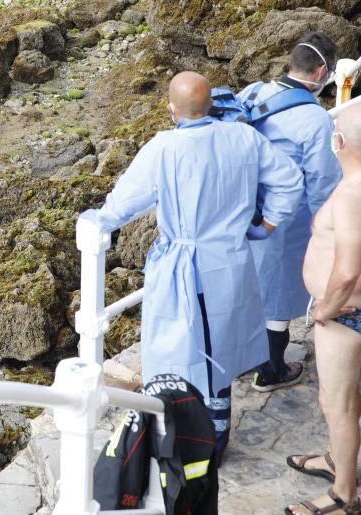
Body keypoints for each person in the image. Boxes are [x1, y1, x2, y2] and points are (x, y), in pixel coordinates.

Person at [93, 71, 304, 458]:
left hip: (183, 263)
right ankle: (216, 434)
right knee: (219, 348)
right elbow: (290, 181)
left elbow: (124, 203)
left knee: (178, 347)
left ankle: (181, 432)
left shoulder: (164, 148)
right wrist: (268, 224)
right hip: (231, 260)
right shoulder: (244, 137)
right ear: (211, 104)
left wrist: (95, 222)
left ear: (171, 109)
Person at [237, 32, 342, 393]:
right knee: (278, 296)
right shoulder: (315, 119)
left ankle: (239, 356)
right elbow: (322, 185)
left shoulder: (252, 92)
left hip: (241, 210)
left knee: (244, 286)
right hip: (284, 220)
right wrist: (329, 235)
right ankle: (270, 370)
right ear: (323, 71)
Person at [285, 104, 361, 515]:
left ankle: (343, 493)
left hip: (345, 315)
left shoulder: (352, 193)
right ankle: (340, 456)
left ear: (340, 142)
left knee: (338, 403)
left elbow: (348, 271)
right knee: (348, 400)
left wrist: (325, 310)